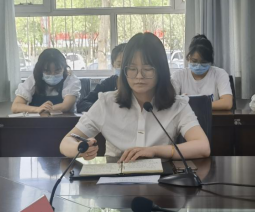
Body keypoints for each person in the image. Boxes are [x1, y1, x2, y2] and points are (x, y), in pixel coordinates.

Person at [60, 32, 211, 162]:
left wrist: (155, 151)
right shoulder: (106, 102)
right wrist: (80, 149)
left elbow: (203, 146)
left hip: (161, 181)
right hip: (115, 181)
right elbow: (66, 141)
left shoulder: (177, 105)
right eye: (132, 69)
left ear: (161, 70)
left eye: (147, 69)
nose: (139, 76)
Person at [171, 35, 233, 111]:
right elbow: (169, 102)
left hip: (212, 118)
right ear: (189, 58)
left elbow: (227, 103)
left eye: (203, 62)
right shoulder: (178, 75)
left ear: (210, 61)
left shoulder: (220, 74)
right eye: (194, 61)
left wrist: (194, 104)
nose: (198, 65)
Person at [12, 49, 81, 114]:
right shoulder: (33, 79)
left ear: (64, 68)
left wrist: (45, 109)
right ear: (40, 70)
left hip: (65, 120)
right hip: (36, 121)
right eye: (47, 71)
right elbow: (15, 106)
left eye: (57, 71)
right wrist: (37, 109)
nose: (53, 75)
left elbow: (66, 106)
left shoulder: (70, 80)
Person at [78, 43, 126, 112]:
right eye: (119, 64)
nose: (123, 68)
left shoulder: (138, 85)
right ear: (113, 64)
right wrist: (102, 109)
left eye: (127, 64)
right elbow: (83, 104)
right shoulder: (107, 84)